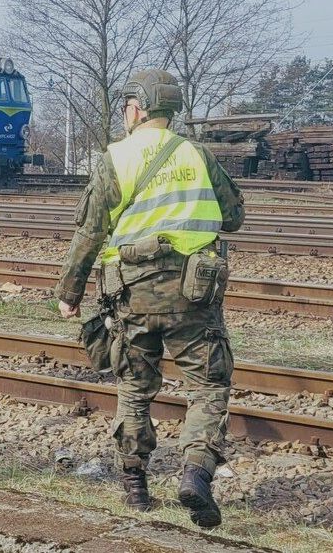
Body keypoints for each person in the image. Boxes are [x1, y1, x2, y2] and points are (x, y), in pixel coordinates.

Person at [54, 70, 245, 528]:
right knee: (208, 388)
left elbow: (90, 232)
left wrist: (69, 292)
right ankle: (196, 473)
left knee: (136, 388)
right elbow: (233, 216)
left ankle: (136, 486)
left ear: (137, 109)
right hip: (193, 297)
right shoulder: (198, 154)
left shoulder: (114, 158)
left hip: (131, 295)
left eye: (126, 106)